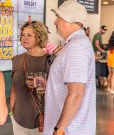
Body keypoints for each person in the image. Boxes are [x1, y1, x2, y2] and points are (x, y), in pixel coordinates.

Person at [44, 0, 96, 135]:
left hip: (70, 130)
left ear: (69, 19)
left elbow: (76, 94)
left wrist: (58, 130)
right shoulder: (75, 44)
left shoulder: (76, 47)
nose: (55, 22)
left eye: (58, 17)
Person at [10, 20, 50, 135]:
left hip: (42, 119)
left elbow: (60, 90)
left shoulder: (50, 60)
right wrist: (11, 113)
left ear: (39, 37)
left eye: (29, 35)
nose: (24, 38)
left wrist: (44, 83)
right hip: (18, 119)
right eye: (23, 35)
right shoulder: (17, 59)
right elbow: (14, 89)